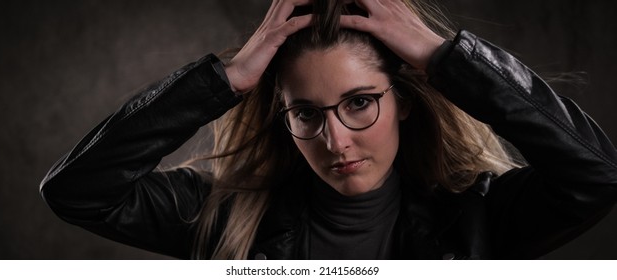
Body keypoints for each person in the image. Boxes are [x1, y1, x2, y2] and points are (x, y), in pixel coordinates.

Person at [40, 0, 617, 260]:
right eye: (306, 113)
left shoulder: (479, 218)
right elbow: (77, 191)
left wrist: (447, 57)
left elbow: (595, 176)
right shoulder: (221, 215)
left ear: (406, 102)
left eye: (360, 102)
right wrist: (226, 79)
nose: (336, 141)